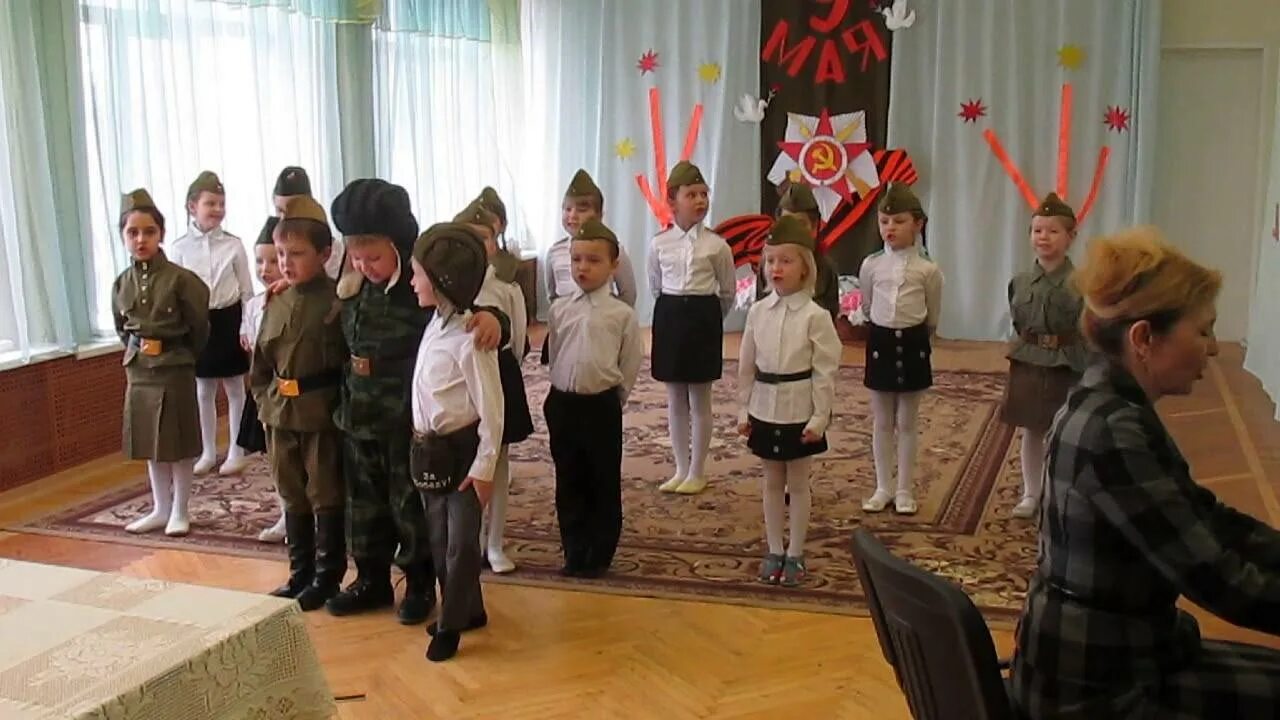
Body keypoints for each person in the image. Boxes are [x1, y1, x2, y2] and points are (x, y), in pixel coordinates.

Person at [1011, 227, 1280, 718]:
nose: (1213, 349)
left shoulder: (1104, 402)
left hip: (1099, 662)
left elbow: (1207, 518)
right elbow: (1217, 579)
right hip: (1099, 691)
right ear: (1143, 339)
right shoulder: (1114, 430)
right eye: (1203, 331)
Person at [408, 222, 504, 662]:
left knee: (460, 544)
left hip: (464, 455)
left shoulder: (470, 339)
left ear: (442, 280)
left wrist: (484, 467)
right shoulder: (433, 325)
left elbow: (493, 409)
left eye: (418, 274)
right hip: (431, 451)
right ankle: (470, 609)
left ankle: (450, 626)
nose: (412, 282)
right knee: (438, 536)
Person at [250, 196, 347, 611]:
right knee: (291, 491)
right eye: (280, 254)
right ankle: (300, 572)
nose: (286, 264)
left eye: (297, 254)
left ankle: (327, 576)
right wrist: (264, 402)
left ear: (324, 254)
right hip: (280, 412)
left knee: (325, 492)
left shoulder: (338, 300)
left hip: (320, 413)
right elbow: (261, 363)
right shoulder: (276, 301)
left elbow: (345, 364)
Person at [738, 216, 841, 587]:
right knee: (771, 482)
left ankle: (795, 552)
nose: (776, 268)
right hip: (765, 408)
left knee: (797, 483)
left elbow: (825, 370)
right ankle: (773, 548)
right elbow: (746, 366)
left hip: (800, 410)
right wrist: (743, 409)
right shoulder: (757, 312)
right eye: (770, 261)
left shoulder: (816, 317)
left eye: (786, 260)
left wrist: (819, 418)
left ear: (805, 268)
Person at [545, 218, 643, 578]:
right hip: (563, 403)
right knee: (568, 477)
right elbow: (556, 351)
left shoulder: (622, 314)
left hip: (601, 405)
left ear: (613, 265)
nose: (582, 268)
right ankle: (574, 548)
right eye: (576, 260)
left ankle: (600, 551)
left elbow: (629, 361)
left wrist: (615, 398)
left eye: (593, 260)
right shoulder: (560, 309)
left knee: (602, 477)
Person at [113, 189, 210, 537]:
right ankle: (160, 508)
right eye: (132, 232)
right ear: (123, 236)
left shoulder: (181, 280)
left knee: (179, 443)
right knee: (150, 443)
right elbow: (123, 328)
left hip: (175, 366)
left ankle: (180, 510)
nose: (141, 240)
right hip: (140, 370)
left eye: (149, 232)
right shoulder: (121, 284)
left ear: (161, 234)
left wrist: (182, 356)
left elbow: (199, 328)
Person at [647, 161, 735, 495]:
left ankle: (697, 470)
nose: (700, 201)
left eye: (703, 194)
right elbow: (656, 284)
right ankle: (680, 469)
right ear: (672, 200)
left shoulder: (717, 246)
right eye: (691, 195)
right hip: (670, 317)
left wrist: (708, 319)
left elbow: (726, 292)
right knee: (675, 398)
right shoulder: (659, 244)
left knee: (700, 399)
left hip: (703, 318)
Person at [1000, 193, 1087, 519]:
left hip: (1068, 363)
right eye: (1037, 230)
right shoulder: (1020, 282)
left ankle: (1062, 493)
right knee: (1031, 429)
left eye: (1053, 231)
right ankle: (1031, 493)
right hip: (1030, 360)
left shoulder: (1081, 283)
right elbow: (1018, 320)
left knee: (1066, 431)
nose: (1044, 237)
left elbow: (1088, 327)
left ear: (1071, 236)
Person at [858, 183, 943, 515]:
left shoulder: (928, 270)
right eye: (884, 221)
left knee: (907, 420)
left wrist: (921, 337)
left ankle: (905, 489)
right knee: (881, 420)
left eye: (899, 221)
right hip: (881, 341)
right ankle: (883, 487)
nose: (890, 228)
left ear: (918, 224)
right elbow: (867, 306)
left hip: (912, 343)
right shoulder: (871, 266)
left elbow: (932, 315)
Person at [456, 199, 531, 574]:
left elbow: (517, 341)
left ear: (495, 240)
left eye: (483, 237)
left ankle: (495, 543)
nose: (475, 244)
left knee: (497, 462)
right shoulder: (448, 285)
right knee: (464, 461)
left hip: (499, 374)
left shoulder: (505, 287)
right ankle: (466, 538)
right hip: (459, 381)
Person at [170, 171, 254, 476]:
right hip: (199, 322)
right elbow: (176, 294)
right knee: (203, 389)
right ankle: (207, 451)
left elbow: (247, 291)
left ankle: (236, 450)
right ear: (193, 206)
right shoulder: (179, 248)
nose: (218, 209)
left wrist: (246, 327)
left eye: (221, 203)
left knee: (235, 387)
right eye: (211, 203)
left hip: (229, 319)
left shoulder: (234, 245)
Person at [239, 217, 286, 543]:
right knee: (276, 458)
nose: (265, 269)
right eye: (259, 261)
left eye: (273, 260)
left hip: (293, 392)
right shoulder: (254, 305)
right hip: (266, 392)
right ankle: (286, 514)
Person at [754, 183, 840, 323]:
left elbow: (830, 319)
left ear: (814, 226)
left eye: (800, 224)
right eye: (787, 222)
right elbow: (760, 312)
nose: (793, 230)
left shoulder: (826, 268)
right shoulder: (768, 266)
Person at [272, 166, 345, 280]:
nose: (284, 218)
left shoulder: (334, 250)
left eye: (296, 253)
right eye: (280, 210)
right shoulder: (273, 239)